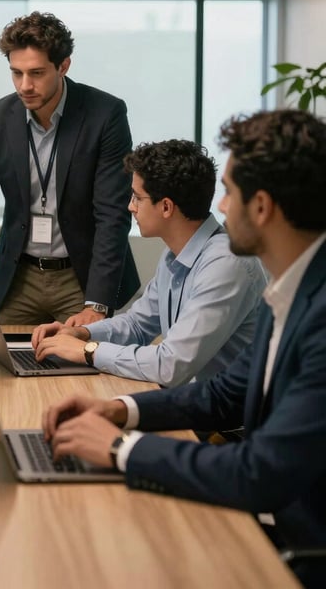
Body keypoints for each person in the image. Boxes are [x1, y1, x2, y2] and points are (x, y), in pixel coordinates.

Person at [42, 110, 326, 587]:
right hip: (266, 507)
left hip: (293, 546)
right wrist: (119, 410)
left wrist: (119, 449)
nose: (219, 204)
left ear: (261, 207)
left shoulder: (313, 312)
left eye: (230, 192)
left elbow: (258, 472)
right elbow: (220, 394)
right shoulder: (296, 293)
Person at [0, 11, 139, 326]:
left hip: (81, 279)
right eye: (16, 73)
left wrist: (96, 305)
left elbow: (113, 214)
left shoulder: (105, 115)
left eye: (37, 73)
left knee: (80, 370)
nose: (25, 86)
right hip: (19, 276)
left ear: (64, 65)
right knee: (0, 367)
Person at [31, 140, 266, 386]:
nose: (130, 206)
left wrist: (88, 351)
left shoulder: (226, 264)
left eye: (137, 197)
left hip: (224, 419)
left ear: (166, 207)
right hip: (190, 402)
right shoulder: (174, 254)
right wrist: (83, 333)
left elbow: (170, 365)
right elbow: (138, 325)